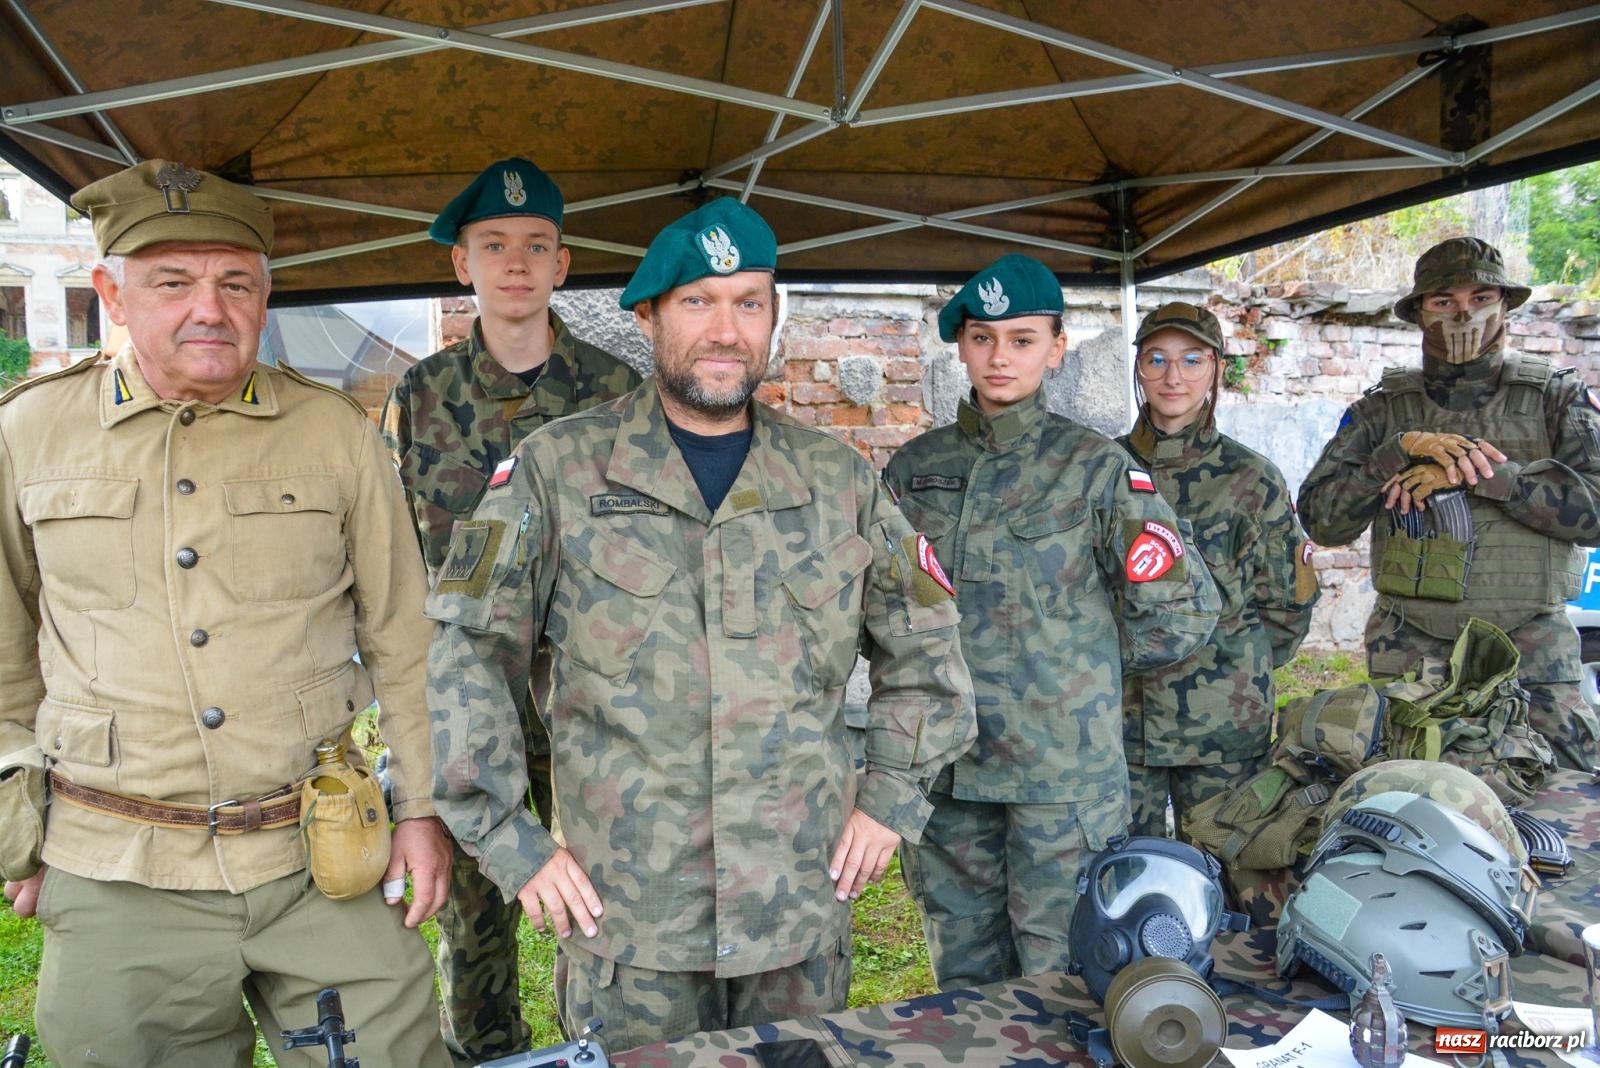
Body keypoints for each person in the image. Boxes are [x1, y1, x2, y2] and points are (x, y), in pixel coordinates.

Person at [425, 197, 976, 1051]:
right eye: (698, 301)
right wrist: (511, 842)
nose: (726, 329)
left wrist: (891, 799)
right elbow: (469, 657)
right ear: (646, 315)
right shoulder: (557, 472)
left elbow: (927, 648)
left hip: (797, 916)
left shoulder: (838, 481)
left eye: (749, 303)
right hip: (634, 924)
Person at [0, 160, 450, 1066]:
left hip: (321, 856)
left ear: (264, 295)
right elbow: (6, 652)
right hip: (118, 863)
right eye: (173, 282)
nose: (210, 308)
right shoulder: (26, 434)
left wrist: (423, 812)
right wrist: (22, 831)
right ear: (112, 295)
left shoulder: (333, 435)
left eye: (235, 283)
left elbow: (407, 638)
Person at [883, 254, 1220, 991]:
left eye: (1024, 339)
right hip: (947, 770)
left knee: (1064, 974)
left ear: (1058, 347)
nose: (1001, 357)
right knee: (964, 974)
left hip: (1060, 777)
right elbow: (882, 605)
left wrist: (1082, 666)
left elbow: (1186, 611)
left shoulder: (1096, 470)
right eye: (982, 338)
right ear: (962, 346)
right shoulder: (914, 471)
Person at [381, 156, 640, 1063]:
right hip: (471, 697)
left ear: (563, 265)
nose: (517, 263)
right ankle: (486, 1054)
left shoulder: (618, 394)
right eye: (494, 245)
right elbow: (394, 558)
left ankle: (596, 1050)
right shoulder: (420, 399)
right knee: (475, 921)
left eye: (537, 246)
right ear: (462, 266)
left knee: (603, 905)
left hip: (592, 701)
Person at [1298, 236, 1600, 771]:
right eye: (1443, 301)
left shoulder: (1555, 396)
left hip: (1530, 649)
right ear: (1418, 313)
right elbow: (1322, 521)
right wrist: (1393, 456)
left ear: (1505, 304)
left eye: (1481, 297)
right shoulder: (1381, 411)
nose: (1463, 314)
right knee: (1415, 807)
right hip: (1413, 649)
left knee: (1566, 804)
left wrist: (1488, 475)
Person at [1118, 302, 1318, 838]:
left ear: (1215, 369)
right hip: (1120, 718)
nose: (1172, 376)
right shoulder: (1103, 469)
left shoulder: (1251, 478)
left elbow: (1288, 603)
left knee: (1229, 874)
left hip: (1222, 723)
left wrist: (1232, 672)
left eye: (1191, 360)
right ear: (1138, 367)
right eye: (1156, 359)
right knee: (1124, 876)